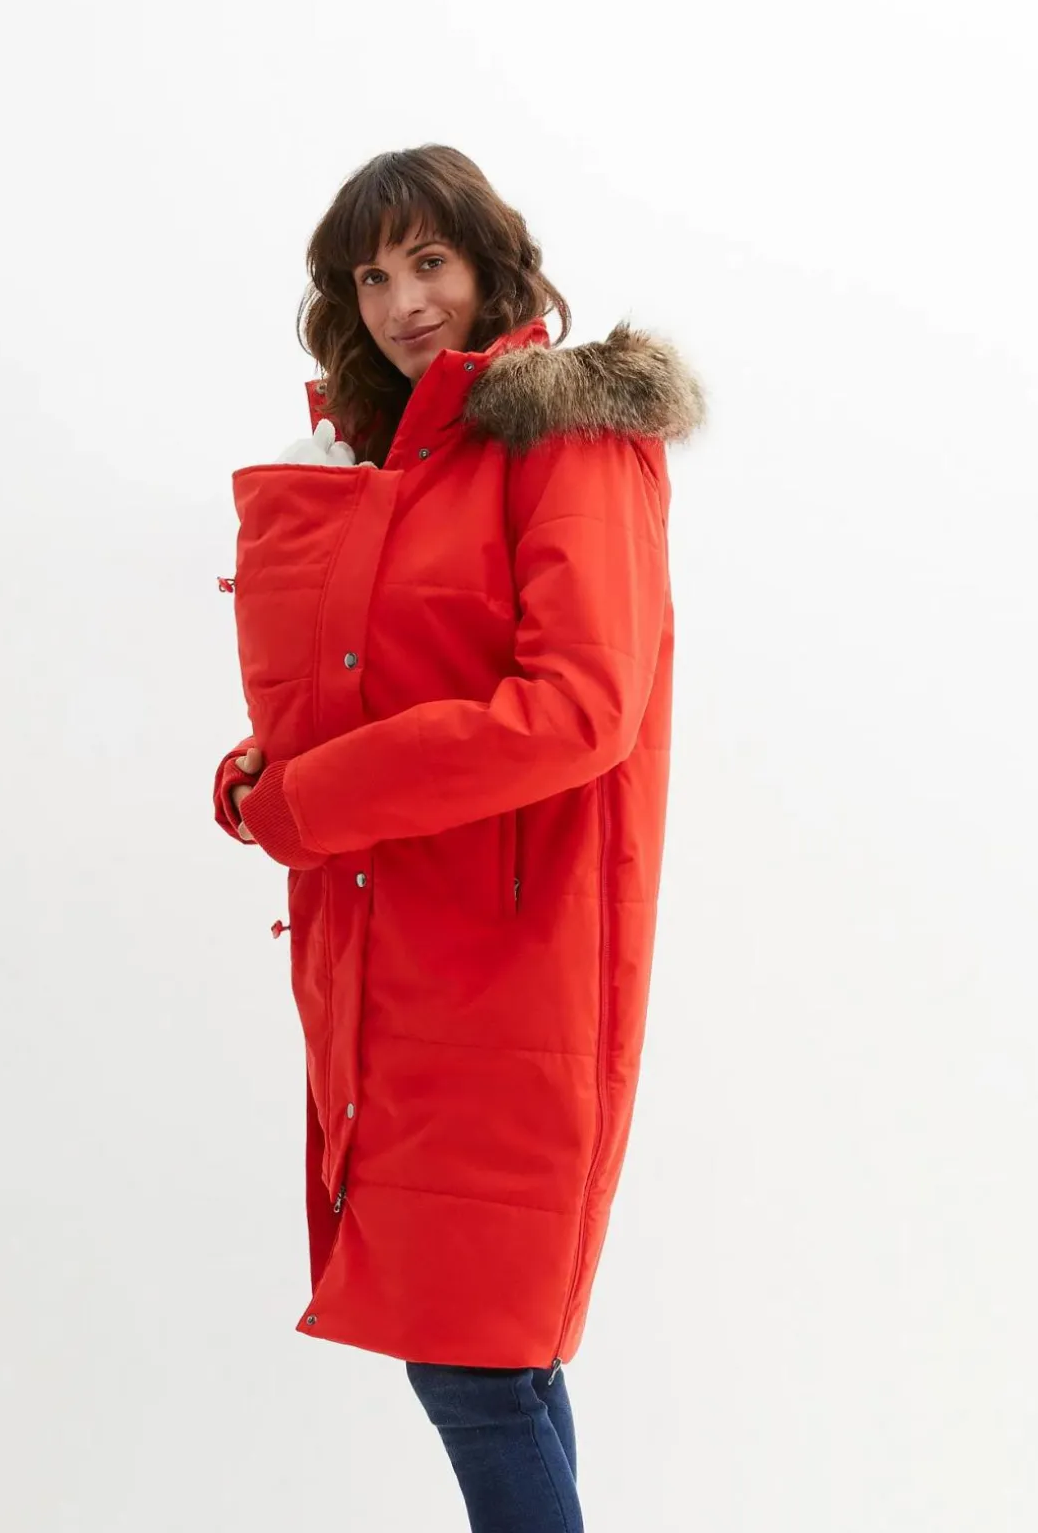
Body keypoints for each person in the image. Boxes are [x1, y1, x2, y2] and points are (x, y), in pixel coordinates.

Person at [212, 144, 706, 1533]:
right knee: (499, 1358)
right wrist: (262, 774)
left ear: (492, 265)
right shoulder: (408, 465)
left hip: (514, 958)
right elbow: (380, 682)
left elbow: (578, 708)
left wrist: (315, 801)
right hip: (395, 947)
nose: (402, 302)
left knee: (475, 1359)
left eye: (428, 262)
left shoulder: (570, 437)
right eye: (370, 277)